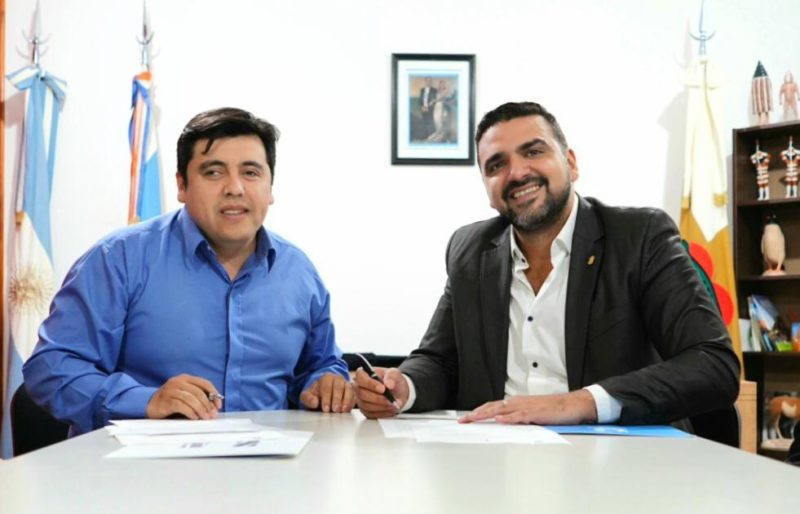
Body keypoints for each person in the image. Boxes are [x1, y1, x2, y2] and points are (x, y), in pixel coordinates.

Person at [354, 101, 740, 426]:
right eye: (496, 165)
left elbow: (713, 364)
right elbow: (441, 361)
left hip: (616, 457)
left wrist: (580, 403)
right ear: (488, 189)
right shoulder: (469, 250)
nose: (517, 172)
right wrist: (404, 387)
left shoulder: (639, 237)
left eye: (534, 151)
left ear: (571, 163)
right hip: (494, 455)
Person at [23, 107, 354, 435]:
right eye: (214, 172)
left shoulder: (299, 273)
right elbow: (51, 368)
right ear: (182, 185)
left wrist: (326, 384)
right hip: (141, 465)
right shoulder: (118, 259)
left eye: (251, 172)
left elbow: (320, 365)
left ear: (270, 188)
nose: (235, 188)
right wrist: (145, 401)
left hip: (270, 463)